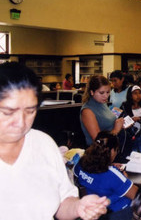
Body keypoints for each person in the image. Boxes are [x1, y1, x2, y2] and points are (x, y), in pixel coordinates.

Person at [0, 62, 109, 220]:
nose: (21, 122)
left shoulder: (43, 144)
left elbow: (62, 201)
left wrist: (78, 207)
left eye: (30, 111)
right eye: (9, 111)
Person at [75, 132, 138, 220]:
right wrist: (125, 179)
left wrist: (110, 164)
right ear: (112, 151)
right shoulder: (112, 174)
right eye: (116, 150)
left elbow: (87, 176)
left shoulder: (81, 163)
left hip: (95, 207)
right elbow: (136, 194)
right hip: (117, 211)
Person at [80, 75, 125, 146]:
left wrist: (120, 125)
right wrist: (116, 130)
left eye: (108, 92)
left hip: (114, 144)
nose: (106, 96)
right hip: (101, 153)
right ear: (92, 92)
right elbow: (99, 141)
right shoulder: (87, 111)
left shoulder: (102, 103)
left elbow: (108, 123)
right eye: (101, 93)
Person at [120, 85, 141, 150]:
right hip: (129, 137)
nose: (138, 95)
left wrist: (140, 119)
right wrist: (131, 120)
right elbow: (120, 120)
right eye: (135, 93)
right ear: (130, 95)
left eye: (139, 93)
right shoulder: (124, 106)